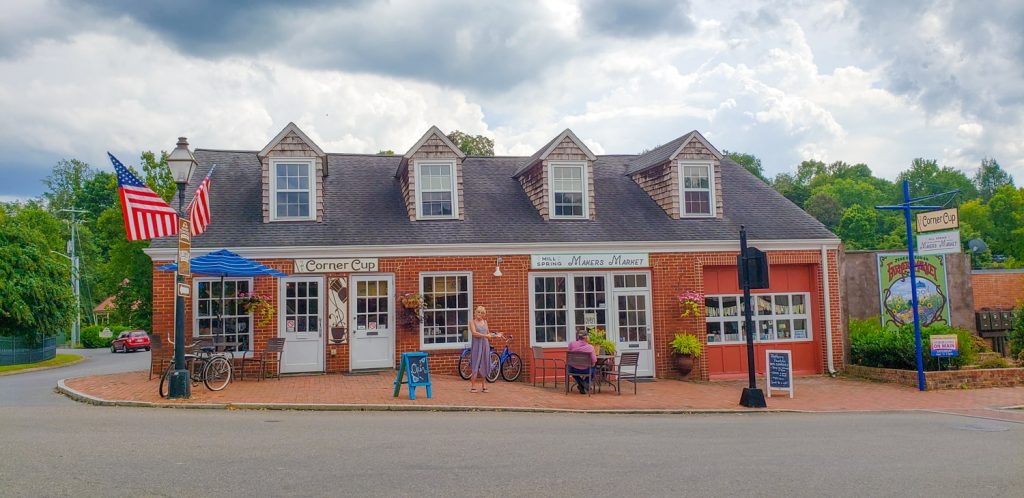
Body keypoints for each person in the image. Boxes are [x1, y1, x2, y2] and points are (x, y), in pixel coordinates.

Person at [468, 306, 501, 393]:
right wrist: (485, 336)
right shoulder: (472, 322)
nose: (479, 314)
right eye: (478, 312)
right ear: (475, 313)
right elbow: (474, 333)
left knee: (485, 363)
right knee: (475, 363)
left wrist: (495, 335)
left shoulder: (485, 322)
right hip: (476, 345)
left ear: (483, 314)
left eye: (481, 313)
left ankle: (484, 385)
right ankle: (473, 386)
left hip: (485, 345)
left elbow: (488, 334)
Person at [567, 329, 596, 394]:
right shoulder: (590, 347)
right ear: (586, 337)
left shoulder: (571, 344)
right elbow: (594, 361)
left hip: (573, 369)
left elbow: (568, 357)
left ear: (578, 337)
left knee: (570, 368)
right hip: (585, 370)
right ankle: (585, 383)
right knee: (594, 369)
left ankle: (581, 385)